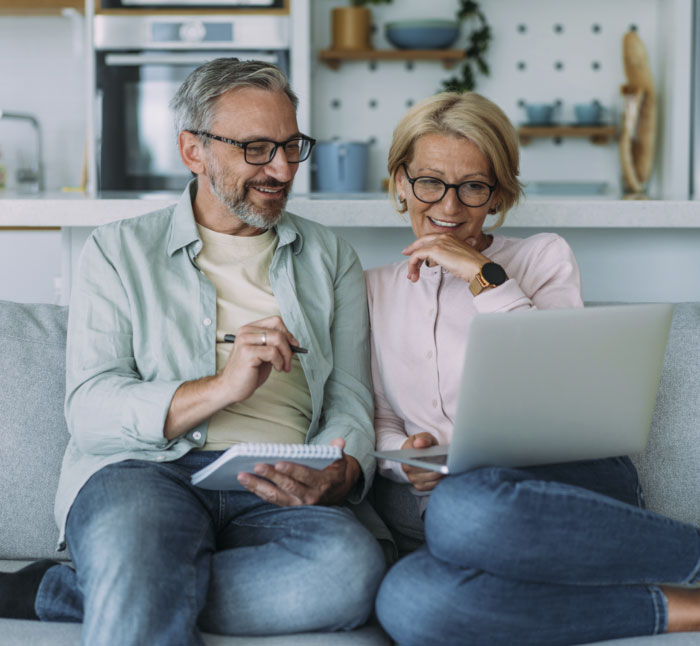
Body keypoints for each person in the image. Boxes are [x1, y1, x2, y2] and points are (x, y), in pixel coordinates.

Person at [0, 58, 385, 645]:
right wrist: (222, 387)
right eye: (257, 148)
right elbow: (92, 409)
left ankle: (86, 589)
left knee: (349, 571)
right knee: (137, 550)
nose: (282, 169)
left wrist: (343, 469)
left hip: (277, 478)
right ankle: (130, 577)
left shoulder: (330, 257)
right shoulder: (118, 251)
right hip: (144, 470)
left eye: (291, 146)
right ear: (193, 150)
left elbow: (350, 397)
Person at [367, 91, 700, 646]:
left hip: (565, 487)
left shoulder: (541, 258)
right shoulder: (372, 291)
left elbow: (561, 391)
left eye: (473, 186)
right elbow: (379, 415)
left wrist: (484, 276)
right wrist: (404, 460)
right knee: (410, 604)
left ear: (498, 192)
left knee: (461, 511)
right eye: (430, 182)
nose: (449, 208)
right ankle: (683, 608)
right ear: (400, 182)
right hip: (458, 513)